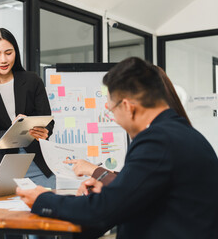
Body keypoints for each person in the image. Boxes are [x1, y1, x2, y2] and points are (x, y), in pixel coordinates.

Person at [17, 57, 218, 239]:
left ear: (128, 107)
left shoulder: (157, 141)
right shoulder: (183, 134)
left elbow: (103, 211)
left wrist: (42, 199)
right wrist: (114, 190)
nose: (112, 117)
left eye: (111, 110)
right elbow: (143, 194)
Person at [63, 65, 193, 179]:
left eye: (112, 107)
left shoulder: (156, 139)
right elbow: (138, 180)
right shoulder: (176, 130)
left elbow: (131, 190)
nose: (115, 118)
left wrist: (95, 171)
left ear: (128, 105)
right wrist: (99, 175)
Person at [0, 28, 55, 189]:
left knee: (45, 210)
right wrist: (15, 130)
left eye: (8, 53)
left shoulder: (32, 81)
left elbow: (47, 120)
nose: (3, 59)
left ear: (15, 53)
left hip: (39, 164)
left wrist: (45, 131)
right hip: (5, 167)